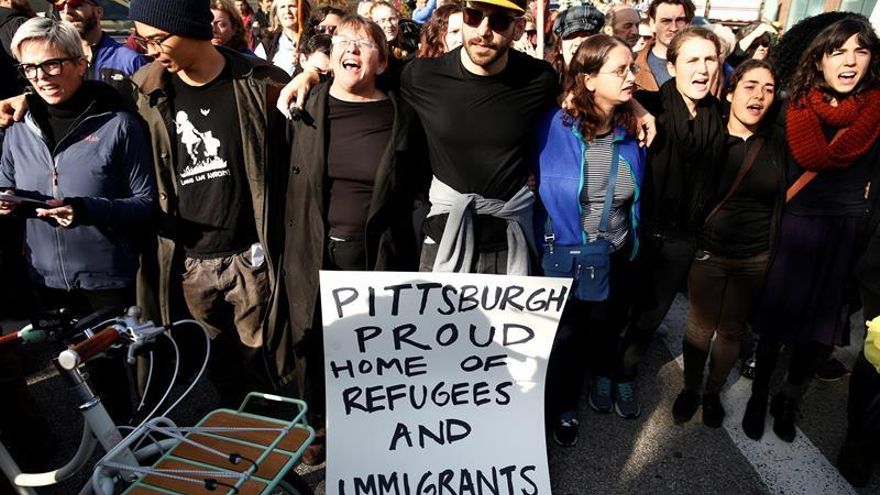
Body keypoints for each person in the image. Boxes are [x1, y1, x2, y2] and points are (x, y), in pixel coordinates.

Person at [128, 0, 293, 408]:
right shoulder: (143, 91)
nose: (150, 49)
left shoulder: (260, 81)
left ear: (190, 28)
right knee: (218, 362)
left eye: (157, 39)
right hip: (188, 262)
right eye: (142, 40)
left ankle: (294, 434)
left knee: (270, 358)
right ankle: (244, 436)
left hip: (251, 255)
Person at [0, 17, 157, 422]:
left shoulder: (118, 124)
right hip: (46, 282)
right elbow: (5, 184)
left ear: (79, 62)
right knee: (79, 386)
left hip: (108, 281)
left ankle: (137, 461)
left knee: (120, 385)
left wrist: (86, 208)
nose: (41, 77)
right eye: (29, 68)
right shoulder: (17, 128)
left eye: (52, 64)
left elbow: (146, 204)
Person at [283, 14, 421, 466]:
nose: (352, 50)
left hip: (378, 256)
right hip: (315, 250)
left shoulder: (402, 113)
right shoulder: (303, 106)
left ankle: (372, 427)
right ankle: (319, 424)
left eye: (364, 45)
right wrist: (306, 72)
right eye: (343, 42)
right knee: (317, 342)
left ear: (382, 61)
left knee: (373, 348)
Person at [740, 17, 880, 444]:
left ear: (872, 59)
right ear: (818, 60)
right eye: (837, 51)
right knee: (775, 327)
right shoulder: (790, 107)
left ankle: (789, 397)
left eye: (860, 50)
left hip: (848, 239)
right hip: (794, 232)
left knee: (820, 335)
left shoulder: (879, 112)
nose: (849, 61)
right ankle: (759, 394)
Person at [537, 34, 646, 445]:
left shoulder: (632, 129)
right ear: (588, 78)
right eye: (620, 70)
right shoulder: (551, 127)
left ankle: (595, 380)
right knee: (563, 340)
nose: (631, 76)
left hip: (616, 254)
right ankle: (561, 409)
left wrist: (638, 107)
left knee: (601, 329)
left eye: (632, 67)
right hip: (564, 258)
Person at [619, 26, 726, 413]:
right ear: (672, 65)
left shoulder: (720, 116)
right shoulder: (648, 102)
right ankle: (602, 370)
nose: (702, 69)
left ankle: (624, 373)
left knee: (650, 317)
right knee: (616, 310)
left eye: (710, 59)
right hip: (636, 231)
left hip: (684, 239)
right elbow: (590, 94)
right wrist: (636, 107)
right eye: (692, 60)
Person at [672, 59, 783, 427]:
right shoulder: (710, 136)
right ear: (731, 93)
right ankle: (690, 388)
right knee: (700, 327)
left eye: (768, 89)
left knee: (732, 330)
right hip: (709, 253)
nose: (759, 96)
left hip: (755, 257)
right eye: (750, 86)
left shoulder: (779, 143)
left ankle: (711, 392)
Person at [57, 0, 147, 84]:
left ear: (98, 12)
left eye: (75, 5)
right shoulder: (56, 59)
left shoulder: (129, 61)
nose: (67, 12)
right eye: (60, 7)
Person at [634, 0, 694, 92]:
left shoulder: (705, 65)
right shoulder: (632, 64)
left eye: (680, 20)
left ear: (688, 24)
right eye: (666, 21)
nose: (673, 28)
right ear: (652, 23)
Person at [547, 3, 605, 81]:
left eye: (585, 34)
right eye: (570, 36)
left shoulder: (606, 79)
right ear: (560, 47)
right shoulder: (548, 81)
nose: (578, 42)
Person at [255, 0, 310, 75]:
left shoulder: (313, 41)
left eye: (292, 6)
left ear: (302, 11)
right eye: (282, 7)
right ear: (276, 15)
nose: (287, 11)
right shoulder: (267, 46)